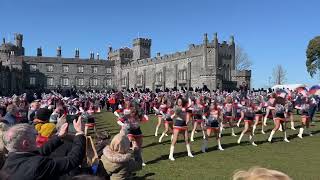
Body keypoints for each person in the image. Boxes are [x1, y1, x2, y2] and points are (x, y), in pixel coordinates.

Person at [1, 117, 86, 180]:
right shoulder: (37, 165)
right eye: (35, 134)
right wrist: (80, 133)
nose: (37, 135)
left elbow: (39, 152)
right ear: (25, 143)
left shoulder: (10, 161)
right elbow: (72, 160)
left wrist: (59, 136)